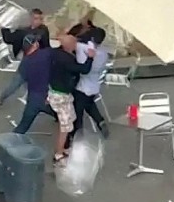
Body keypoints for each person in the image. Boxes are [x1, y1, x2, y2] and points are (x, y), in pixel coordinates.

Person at [48, 35, 95, 165]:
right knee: (66, 127)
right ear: (69, 45)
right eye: (74, 43)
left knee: (69, 120)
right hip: (61, 95)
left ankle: (63, 148)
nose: (76, 45)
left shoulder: (56, 54)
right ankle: (58, 154)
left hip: (57, 92)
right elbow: (83, 70)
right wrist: (90, 57)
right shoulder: (66, 60)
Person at [66, 32, 111, 146]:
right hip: (94, 86)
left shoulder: (84, 48)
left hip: (82, 86)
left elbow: (73, 44)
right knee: (90, 105)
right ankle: (100, 122)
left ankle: (77, 135)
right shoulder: (104, 53)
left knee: (78, 112)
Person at [12, 36, 56, 134]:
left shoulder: (25, 63)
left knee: (22, 127)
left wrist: (1, 98)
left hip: (34, 98)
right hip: (48, 96)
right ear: (35, 44)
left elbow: (15, 84)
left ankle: (9, 142)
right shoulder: (46, 54)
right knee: (60, 114)